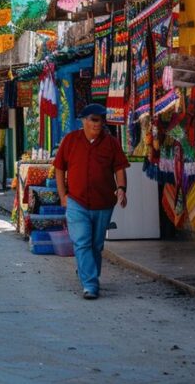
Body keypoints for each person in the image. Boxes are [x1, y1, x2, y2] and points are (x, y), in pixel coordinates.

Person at [53, 103, 129, 300]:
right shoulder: (70, 140)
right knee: (82, 242)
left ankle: (86, 271)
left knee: (96, 244)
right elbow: (59, 168)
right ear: (84, 121)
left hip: (103, 203)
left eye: (101, 120)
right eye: (94, 120)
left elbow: (119, 168)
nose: (99, 124)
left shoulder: (111, 143)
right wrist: (63, 196)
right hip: (76, 201)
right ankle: (90, 284)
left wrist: (121, 189)